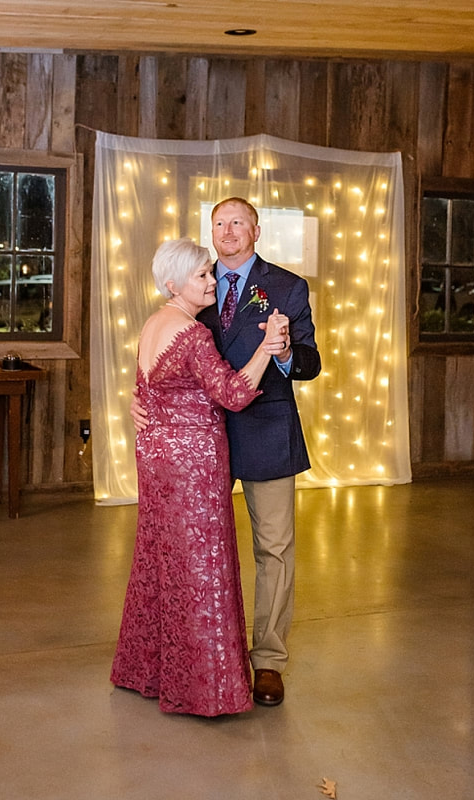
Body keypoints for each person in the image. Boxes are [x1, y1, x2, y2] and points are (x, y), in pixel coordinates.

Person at [132, 197, 321, 707]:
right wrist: (141, 400)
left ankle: (269, 661)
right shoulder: (196, 279)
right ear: (209, 231)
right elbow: (166, 352)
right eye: (220, 222)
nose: (228, 230)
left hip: (264, 430)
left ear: (256, 229)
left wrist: (281, 352)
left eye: (238, 221)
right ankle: (204, 655)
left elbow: (310, 361)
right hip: (199, 443)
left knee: (274, 549)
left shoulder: (287, 286)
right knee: (196, 554)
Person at [112, 237, 289, 716]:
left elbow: (143, 387)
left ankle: (146, 670)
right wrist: (267, 350)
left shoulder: (155, 322)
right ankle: (202, 688)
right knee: (201, 567)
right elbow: (231, 394)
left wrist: (138, 405)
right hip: (192, 462)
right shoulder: (192, 334)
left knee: (161, 559)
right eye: (201, 277)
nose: (212, 281)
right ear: (173, 284)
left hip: (155, 455)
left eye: (210, 274)